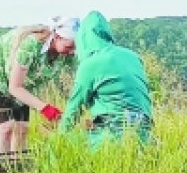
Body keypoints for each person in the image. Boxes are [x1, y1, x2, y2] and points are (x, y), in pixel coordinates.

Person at [0, 15, 80, 171]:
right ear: (57, 37)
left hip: (21, 84)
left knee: (22, 128)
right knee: (6, 127)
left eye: (75, 47)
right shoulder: (31, 45)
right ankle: (0, 172)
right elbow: (15, 88)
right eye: (69, 46)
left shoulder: (68, 54)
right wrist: (46, 108)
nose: (72, 51)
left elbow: (80, 79)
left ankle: (17, 171)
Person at [60, 10, 153, 147]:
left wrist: (59, 138)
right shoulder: (133, 57)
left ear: (83, 39)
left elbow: (73, 109)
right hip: (145, 134)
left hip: (111, 136)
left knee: (64, 149)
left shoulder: (90, 64)